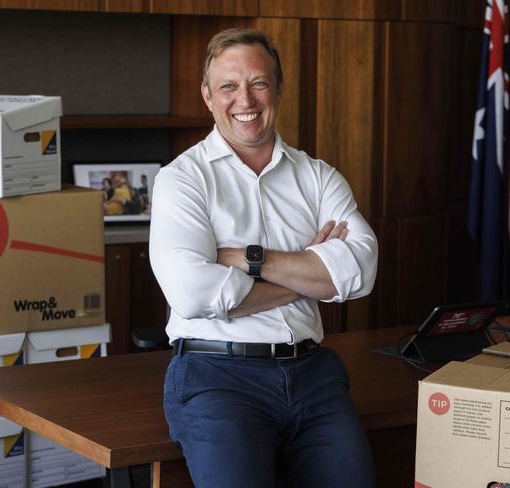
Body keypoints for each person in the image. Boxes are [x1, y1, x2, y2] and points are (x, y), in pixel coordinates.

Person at [149, 28, 378, 487]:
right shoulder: (183, 180)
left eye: (258, 82)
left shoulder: (318, 177)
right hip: (218, 378)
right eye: (228, 86)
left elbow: (360, 272)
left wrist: (244, 258)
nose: (245, 99)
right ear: (207, 97)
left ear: (278, 89)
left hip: (314, 375)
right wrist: (310, 268)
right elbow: (192, 293)